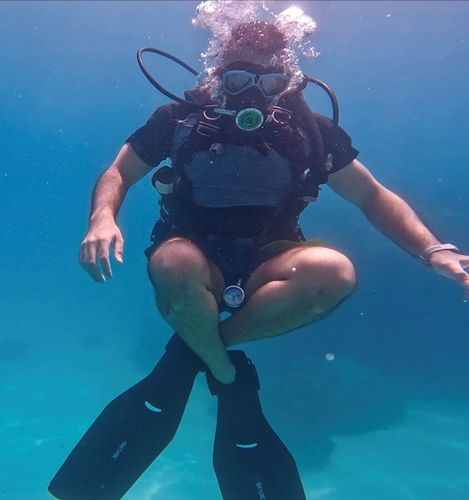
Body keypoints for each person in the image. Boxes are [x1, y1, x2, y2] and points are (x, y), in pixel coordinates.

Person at [49, 15, 469, 500]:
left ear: (286, 82)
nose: (252, 94)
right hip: (192, 251)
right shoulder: (179, 120)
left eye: (268, 82)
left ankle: (193, 355)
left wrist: (432, 249)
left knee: (335, 273)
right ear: (217, 75)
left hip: (270, 258)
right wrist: (102, 219)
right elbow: (118, 172)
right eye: (238, 79)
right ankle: (228, 375)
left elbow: (372, 196)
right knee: (173, 266)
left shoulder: (311, 132)